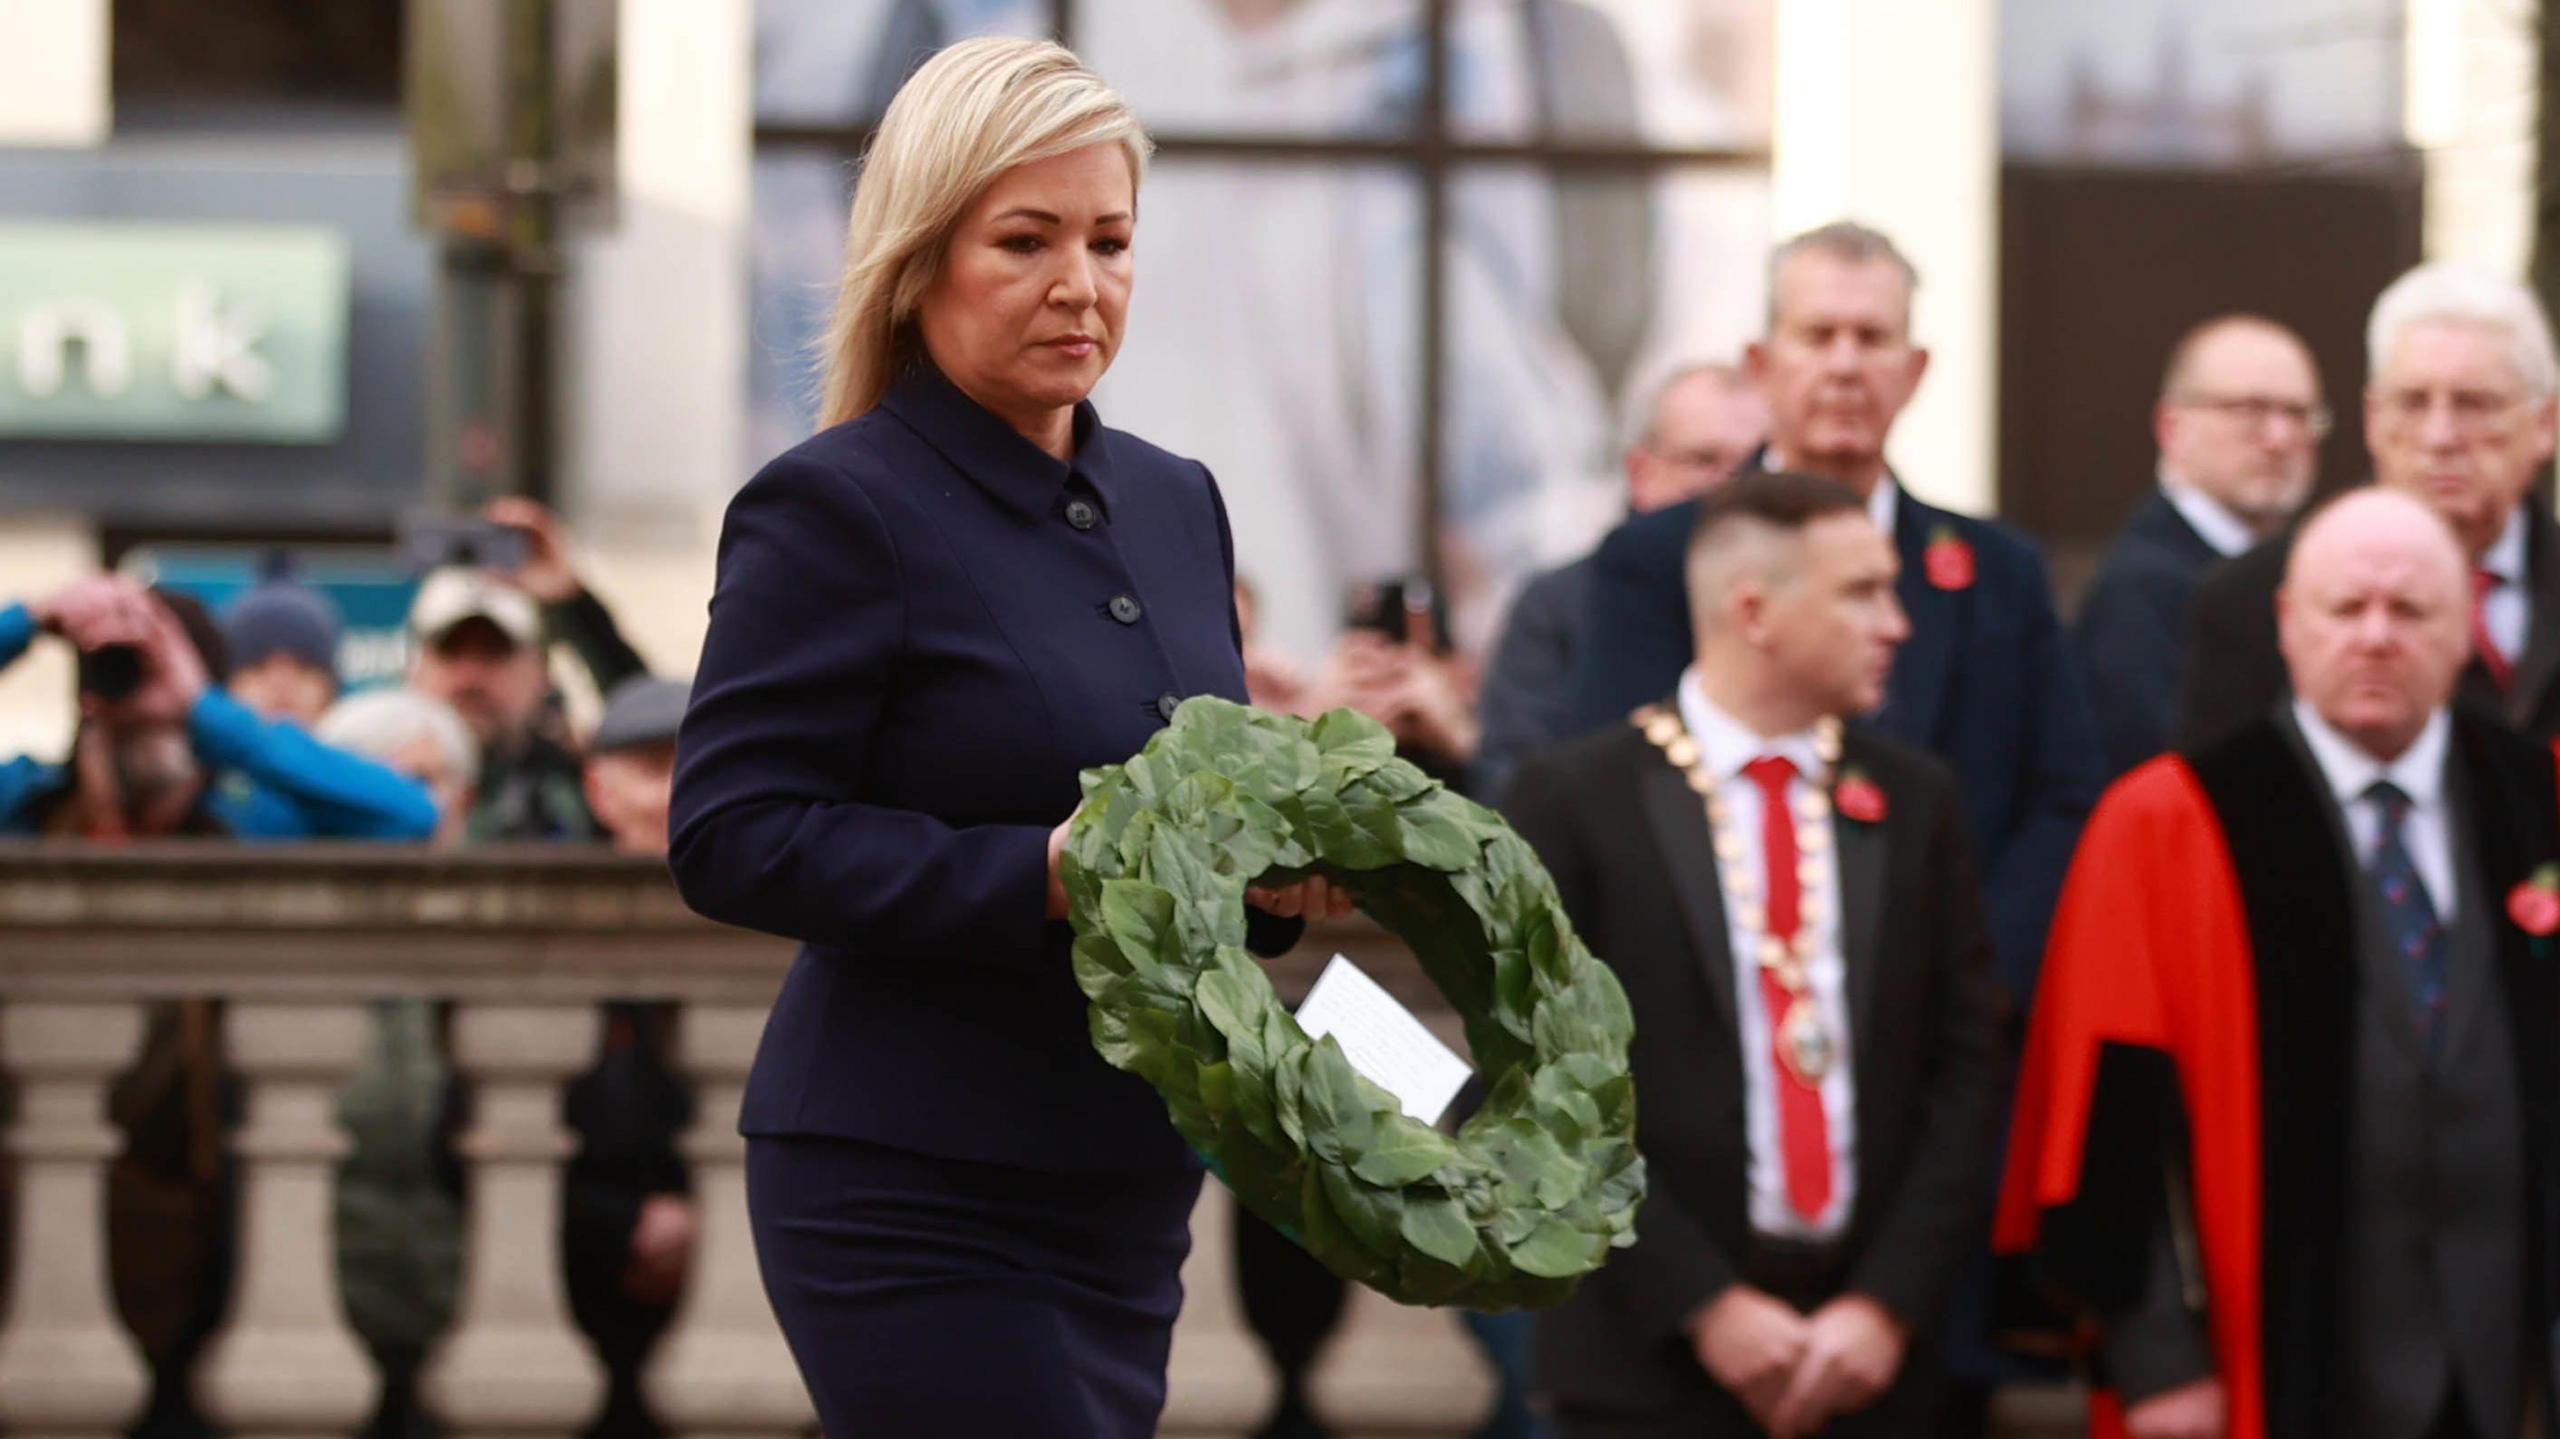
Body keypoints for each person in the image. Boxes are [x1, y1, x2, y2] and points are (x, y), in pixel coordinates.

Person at [666, 38, 1343, 1437]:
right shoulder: (834, 505)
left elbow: (1183, 813)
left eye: (1110, 240)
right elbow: (731, 835)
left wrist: (1271, 882)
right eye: (1025, 240)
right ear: (921, 262)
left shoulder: (1177, 499)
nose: (1079, 284)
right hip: (908, 1177)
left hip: (1123, 1182)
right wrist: (1037, 869)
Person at [1999, 488, 2558, 1439]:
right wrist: (2158, 1364)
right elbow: (2109, 1114)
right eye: (2347, 608)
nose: (2377, 636)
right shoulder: (2171, 823)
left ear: (2466, 626)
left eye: (2411, 609)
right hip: (2274, 1357)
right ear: (2287, 624)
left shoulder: (2535, 798)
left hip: (2508, 1358)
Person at [1511, 472, 2003, 1437]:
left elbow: (1969, 1064)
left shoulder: (1913, 798)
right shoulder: (1577, 798)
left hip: (1877, 1367)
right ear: (1753, 610)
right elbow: (1535, 1084)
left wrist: (1885, 1304)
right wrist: (1703, 1302)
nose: (1896, 623)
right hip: (1646, 1365)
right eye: (1861, 591)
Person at [1562, 221, 2103, 1011]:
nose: (1846, 365)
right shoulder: (1658, 560)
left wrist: (1973, 976)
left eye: (1873, 337)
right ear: (1761, 365)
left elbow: (2062, 797)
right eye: (1818, 335)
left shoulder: (1998, 574)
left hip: (1948, 1025)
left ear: (1915, 371)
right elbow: (1612, 795)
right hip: (1711, 1014)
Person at [2179, 263, 2560, 748]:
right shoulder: (2253, 597)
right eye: (2413, 403)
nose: (2440, 437)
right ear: (2372, 419)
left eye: (2475, 404)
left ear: (2545, 423)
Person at [1476, 362, 1768, 803]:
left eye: (1748, 469)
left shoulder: (1787, 612)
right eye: (1702, 460)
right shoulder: (1557, 606)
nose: (1725, 488)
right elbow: (1511, 780)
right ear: (1640, 472)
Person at [0, 576, 436, 841]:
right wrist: (32, 618)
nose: (150, 698)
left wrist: (200, 710)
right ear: (91, 697)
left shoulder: (250, 816)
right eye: (131, 670)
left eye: (165, 669)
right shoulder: (27, 802)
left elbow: (410, 816)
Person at [2075, 316, 2323, 774]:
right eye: (2251, 411)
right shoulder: (2140, 592)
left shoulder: (2311, 570)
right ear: (2172, 426)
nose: (2281, 438)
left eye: (2299, 414)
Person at [566, 674, 698, 1439]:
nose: (678, 791)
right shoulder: (547, 935)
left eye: (699, 762)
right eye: (654, 766)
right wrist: (620, 1226)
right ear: (597, 788)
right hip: (579, 1307)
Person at [406, 566, 596, 842]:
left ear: (541, 673)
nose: (469, 678)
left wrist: (573, 604)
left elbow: (649, 723)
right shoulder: (368, 776)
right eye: (450, 652)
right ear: (414, 671)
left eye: (493, 653)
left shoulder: (582, 793)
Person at [221, 565, 345, 728]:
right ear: (227, 685)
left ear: (330, 688)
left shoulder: (364, 751)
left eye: (303, 667)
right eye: (259, 667)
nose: (281, 683)